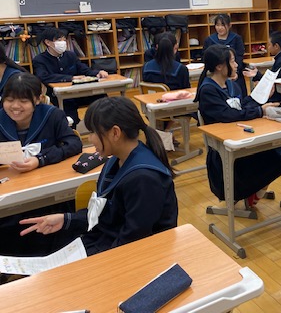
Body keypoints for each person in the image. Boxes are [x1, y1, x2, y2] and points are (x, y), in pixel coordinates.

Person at [19, 96, 178, 256]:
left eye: (93, 132)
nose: (90, 139)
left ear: (115, 133)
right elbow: (105, 212)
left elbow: (132, 241)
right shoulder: (116, 160)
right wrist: (66, 219)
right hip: (108, 241)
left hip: (137, 256)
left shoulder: (144, 178)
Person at [195, 45, 281, 209]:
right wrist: (260, 111)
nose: (236, 65)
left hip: (241, 137)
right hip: (226, 150)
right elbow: (229, 115)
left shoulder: (229, 85)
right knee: (276, 155)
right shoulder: (208, 90)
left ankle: (255, 190)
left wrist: (260, 96)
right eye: (232, 61)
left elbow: (239, 106)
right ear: (219, 66)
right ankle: (252, 191)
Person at [0, 73, 84, 256]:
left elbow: (74, 144)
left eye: (23, 101)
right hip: (9, 194)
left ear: (37, 99)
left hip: (48, 194)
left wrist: (41, 159)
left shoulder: (52, 115)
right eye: (9, 100)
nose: (15, 106)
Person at [32, 27, 108, 126]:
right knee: (71, 117)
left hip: (78, 91)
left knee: (101, 97)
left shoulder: (70, 55)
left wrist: (98, 73)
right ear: (48, 42)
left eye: (64, 40)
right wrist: (70, 78)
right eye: (59, 40)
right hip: (58, 96)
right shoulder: (39, 60)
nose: (63, 43)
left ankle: (101, 125)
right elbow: (43, 77)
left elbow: (84, 69)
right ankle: (73, 129)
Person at [243, 31, 281, 107]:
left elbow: (270, 83)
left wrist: (257, 76)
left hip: (277, 97)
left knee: (247, 102)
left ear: (276, 46)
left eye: (269, 45)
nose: (268, 47)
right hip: (280, 94)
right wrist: (257, 75)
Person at [203, 13, 248, 97]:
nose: (220, 28)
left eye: (223, 25)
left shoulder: (236, 38)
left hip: (235, 73)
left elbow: (239, 56)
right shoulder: (209, 40)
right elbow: (205, 57)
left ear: (229, 25)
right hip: (216, 74)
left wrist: (235, 72)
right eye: (217, 25)